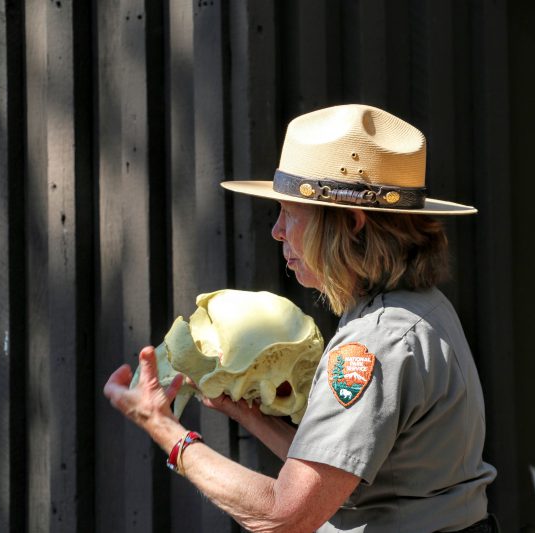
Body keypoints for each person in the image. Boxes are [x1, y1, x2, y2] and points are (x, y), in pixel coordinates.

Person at [104, 104, 498, 532]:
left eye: (291, 213)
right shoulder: (420, 307)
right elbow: (342, 477)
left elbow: (285, 514)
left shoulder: (373, 343)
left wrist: (164, 430)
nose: (276, 230)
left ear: (350, 223)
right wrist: (251, 415)